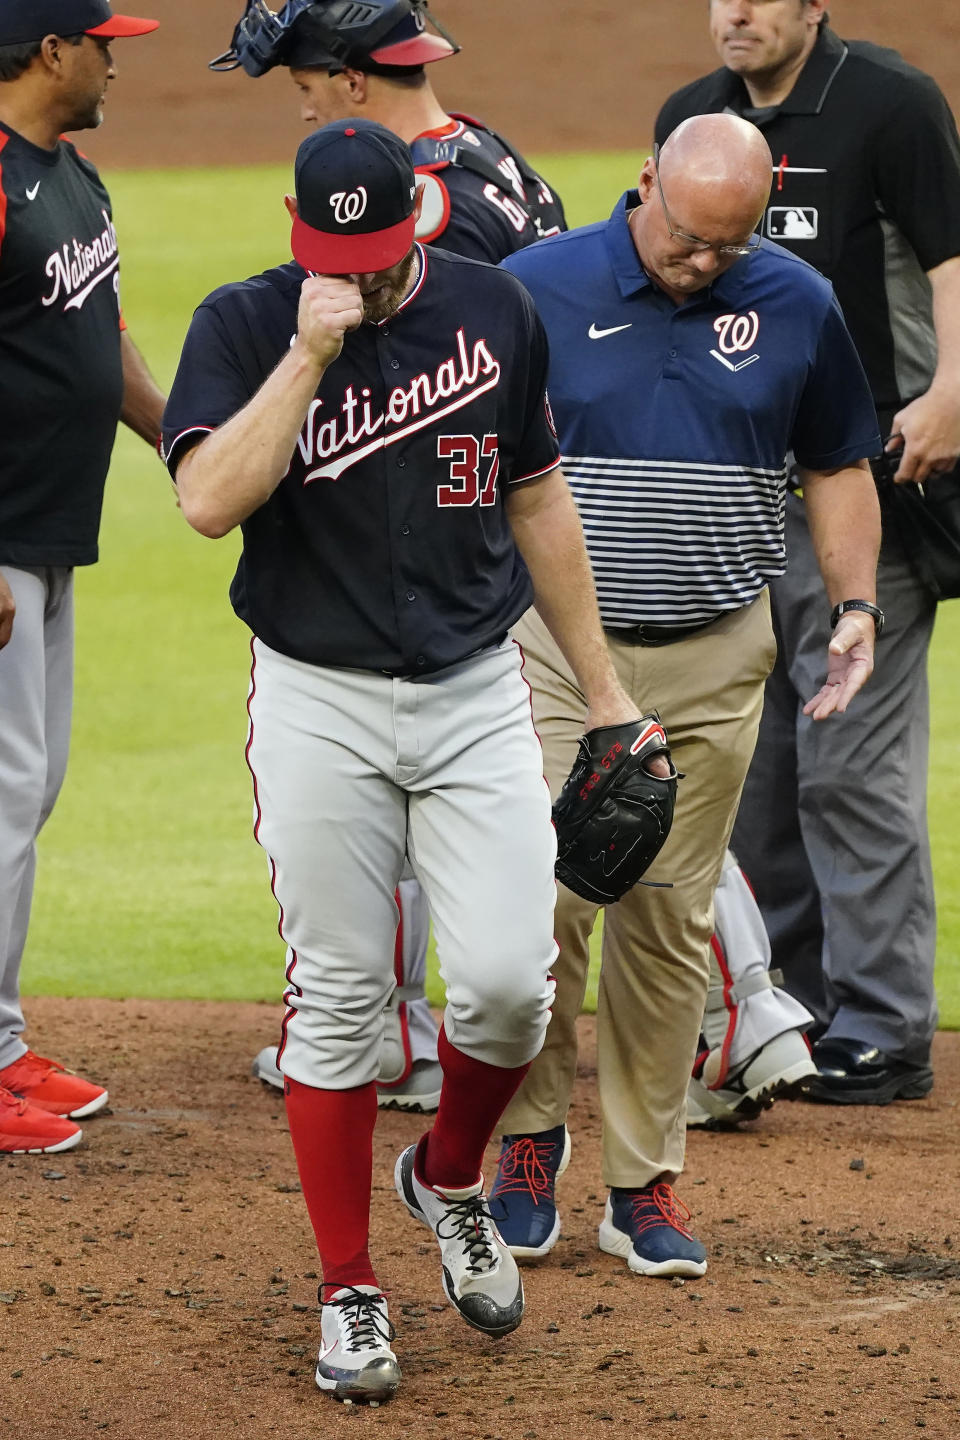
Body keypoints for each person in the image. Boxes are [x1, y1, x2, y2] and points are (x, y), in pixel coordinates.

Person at [161, 117, 646, 1405]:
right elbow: (210, 501)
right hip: (316, 697)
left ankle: (447, 1175)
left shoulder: (494, 310)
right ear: (296, 225)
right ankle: (349, 1290)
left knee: (506, 986)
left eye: (379, 257)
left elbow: (538, 493)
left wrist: (604, 696)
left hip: (475, 688)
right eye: (340, 257)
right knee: (338, 1005)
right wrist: (312, 353)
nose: (365, 279)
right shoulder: (246, 322)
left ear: (421, 216)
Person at [488, 113, 883, 1276]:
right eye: (686, 237)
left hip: (716, 654)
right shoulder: (535, 286)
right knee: (542, 909)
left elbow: (837, 464)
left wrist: (855, 605)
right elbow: (477, 459)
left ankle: (643, 1179)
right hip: (558, 648)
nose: (702, 263)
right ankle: (525, 1142)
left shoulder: (798, 299)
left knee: (668, 918)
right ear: (645, 181)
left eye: (728, 246)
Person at [213, 0, 567, 1112]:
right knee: (608, 764)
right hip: (536, 481)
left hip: (491, 505)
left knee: (475, 790)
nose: (304, 104)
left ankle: (399, 1028)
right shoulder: (492, 155)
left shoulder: (434, 218)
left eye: (305, 83)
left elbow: (429, 412)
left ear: (352, 78)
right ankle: (737, 1002)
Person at [656, 0, 960, 1104]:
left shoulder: (890, 104)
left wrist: (952, 393)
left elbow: (952, 262)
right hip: (739, 496)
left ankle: (880, 1022)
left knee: (850, 765)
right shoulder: (692, 121)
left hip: (872, 487)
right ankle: (774, 1008)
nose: (733, 11)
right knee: (760, 771)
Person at [0, 0, 163, 1158]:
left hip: (51, 532)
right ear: (51, 52)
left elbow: (100, 341)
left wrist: (186, 440)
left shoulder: (74, 182)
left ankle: (4, 1042)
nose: (116, 59)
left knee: (31, 787)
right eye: (102, 41)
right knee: (3, 798)